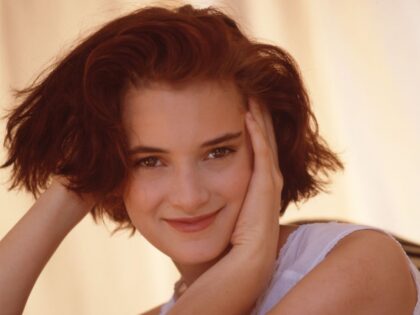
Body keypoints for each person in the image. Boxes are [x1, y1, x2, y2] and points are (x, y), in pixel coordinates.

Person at [0, 4, 418, 315]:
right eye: (149, 160)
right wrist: (78, 181)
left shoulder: (360, 265)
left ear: (265, 148)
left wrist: (251, 260)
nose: (190, 195)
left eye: (218, 152)